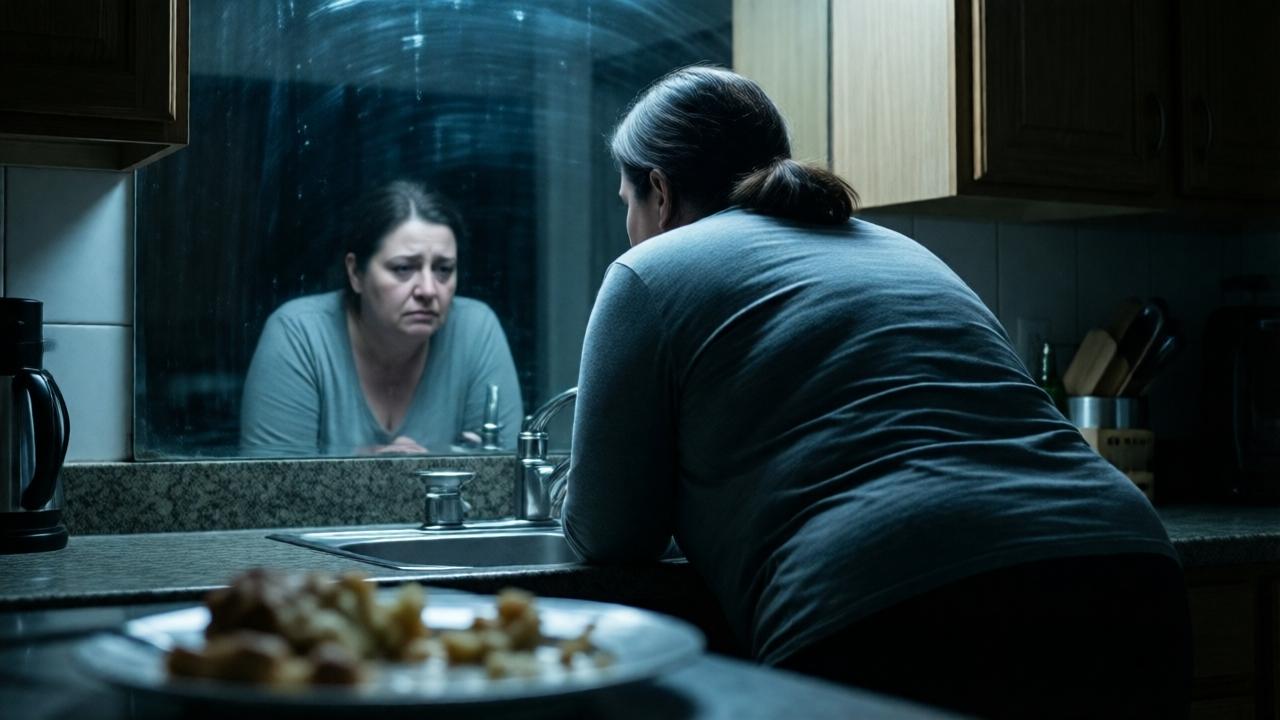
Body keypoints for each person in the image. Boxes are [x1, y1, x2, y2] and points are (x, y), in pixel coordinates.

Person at [561, 66, 1191, 719]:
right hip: (1127, 569)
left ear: (659, 192)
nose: (628, 225)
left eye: (625, 203)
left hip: (894, 603)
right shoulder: (904, 250)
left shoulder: (648, 270)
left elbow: (607, 536)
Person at [240, 181, 523, 457]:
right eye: (402, 268)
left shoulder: (475, 330)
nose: (427, 289)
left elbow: (506, 484)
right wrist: (369, 473)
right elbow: (270, 493)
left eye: (443, 269)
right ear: (355, 273)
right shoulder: (300, 335)